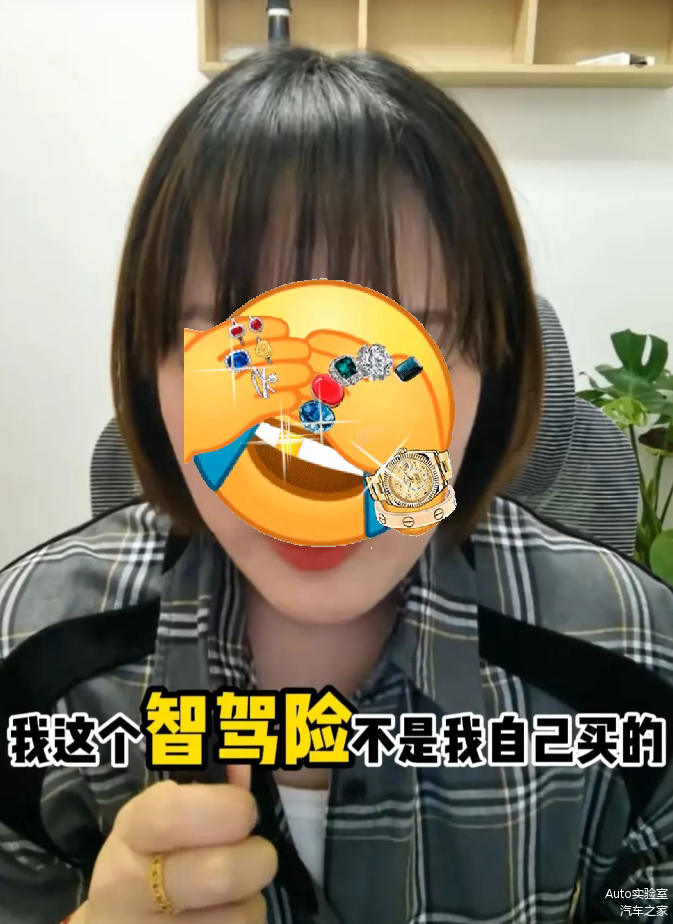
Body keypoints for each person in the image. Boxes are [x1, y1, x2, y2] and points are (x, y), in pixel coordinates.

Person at [1, 46, 672, 924]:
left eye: (400, 351)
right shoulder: (31, 655)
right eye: (242, 351)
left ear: (493, 367)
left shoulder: (634, 658)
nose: (316, 460)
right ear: (149, 363)